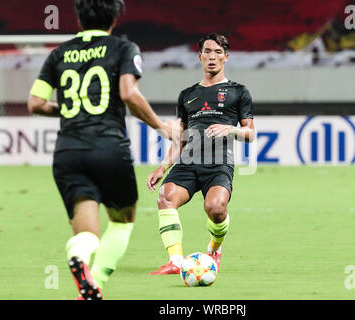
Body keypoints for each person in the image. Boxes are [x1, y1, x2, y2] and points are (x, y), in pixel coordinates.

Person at [27, 0, 178, 299]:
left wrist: (74, 109)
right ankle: (93, 280)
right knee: (122, 222)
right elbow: (128, 93)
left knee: (86, 234)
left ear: (79, 18)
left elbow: (35, 103)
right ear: (115, 18)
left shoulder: (59, 53)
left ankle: (81, 264)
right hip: (109, 148)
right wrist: (162, 127)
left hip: (68, 151)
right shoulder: (123, 48)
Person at [147, 33, 256, 275]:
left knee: (216, 208)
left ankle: (214, 249)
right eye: (207, 51)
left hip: (218, 163)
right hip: (188, 162)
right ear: (200, 56)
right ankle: (175, 261)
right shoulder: (187, 95)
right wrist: (162, 167)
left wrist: (231, 129)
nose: (212, 57)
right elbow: (180, 138)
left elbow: (250, 133)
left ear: (226, 57)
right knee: (165, 196)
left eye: (218, 52)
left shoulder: (238, 92)